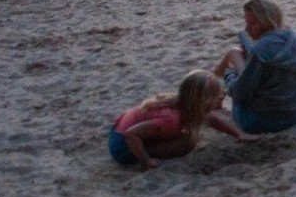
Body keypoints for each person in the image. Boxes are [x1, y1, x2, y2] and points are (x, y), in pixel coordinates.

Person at [109, 69, 255, 170]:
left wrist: (238, 135)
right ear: (202, 101)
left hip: (122, 127)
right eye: (217, 97)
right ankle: (146, 155)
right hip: (122, 145)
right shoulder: (172, 120)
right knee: (187, 142)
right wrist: (147, 161)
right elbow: (131, 134)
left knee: (186, 135)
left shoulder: (184, 104)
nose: (221, 100)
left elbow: (212, 119)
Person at [213, 0, 296, 135]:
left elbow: (240, 92)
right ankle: (211, 88)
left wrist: (230, 73)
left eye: (252, 24)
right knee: (237, 55)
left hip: (260, 121)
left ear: (267, 22)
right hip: (294, 113)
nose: (247, 29)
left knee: (233, 54)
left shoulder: (261, 51)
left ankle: (209, 91)